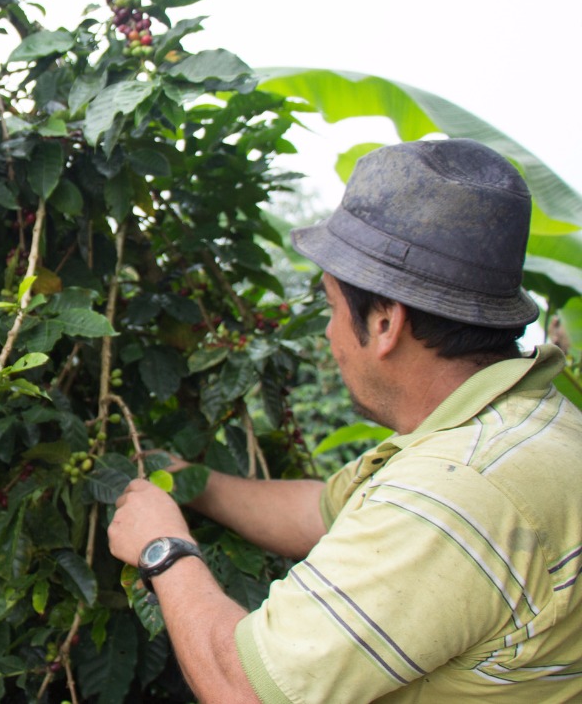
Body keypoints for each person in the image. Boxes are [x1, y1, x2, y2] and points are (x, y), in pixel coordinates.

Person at [107, 138, 582, 702]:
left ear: (384, 323)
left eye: (332, 307)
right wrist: (190, 482)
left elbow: (245, 690)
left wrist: (164, 547)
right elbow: (322, 510)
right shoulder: (524, 423)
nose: (329, 335)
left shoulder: (452, 494)